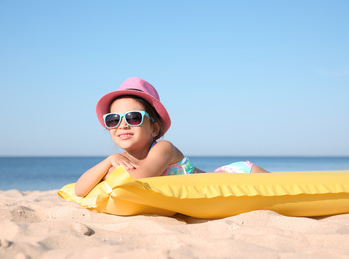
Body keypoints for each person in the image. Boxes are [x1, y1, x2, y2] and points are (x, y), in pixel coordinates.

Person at [75, 77, 269, 197]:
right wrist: (108, 161)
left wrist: (109, 172)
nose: (123, 124)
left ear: (154, 128)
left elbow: (137, 178)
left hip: (239, 175)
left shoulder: (163, 148)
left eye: (133, 117)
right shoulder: (120, 161)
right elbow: (80, 190)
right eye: (113, 119)